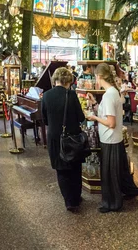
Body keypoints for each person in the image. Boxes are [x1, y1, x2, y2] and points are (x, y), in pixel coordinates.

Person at [86, 64, 138, 213]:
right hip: (115, 138)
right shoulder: (114, 92)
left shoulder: (109, 95)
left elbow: (111, 122)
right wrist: (95, 104)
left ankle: (112, 202)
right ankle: (128, 191)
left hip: (109, 139)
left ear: (99, 77)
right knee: (120, 170)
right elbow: (109, 114)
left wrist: (94, 117)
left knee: (110, 174)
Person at [42, 67, 86, 212]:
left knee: (61, 169)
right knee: (75, 167)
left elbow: (45, 120)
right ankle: (76, 197)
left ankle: (69, 201)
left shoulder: (46, 95)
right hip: (73, 137)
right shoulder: (71, 95)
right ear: (69, 81)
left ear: (55, 79)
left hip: (55, 137)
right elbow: (81, 117)